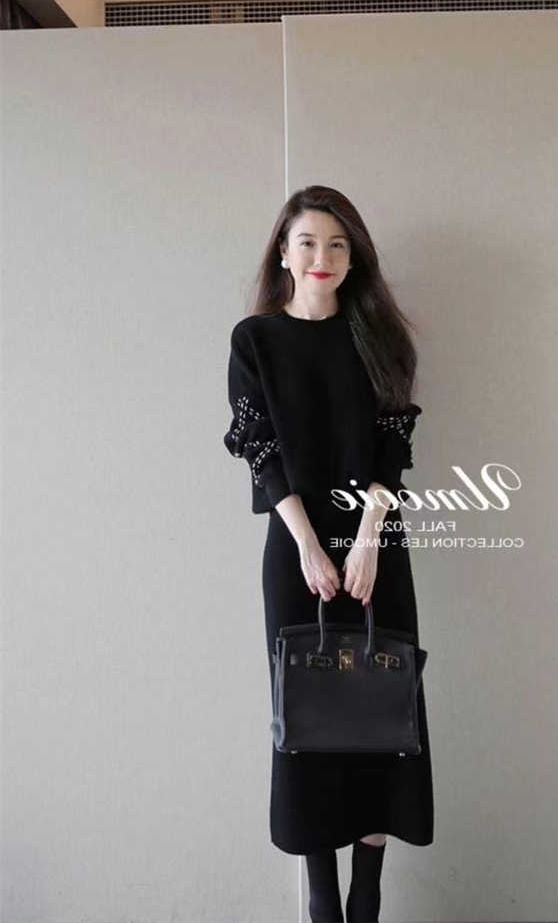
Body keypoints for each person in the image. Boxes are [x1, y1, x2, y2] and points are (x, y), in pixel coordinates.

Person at [223, 185, 434, 922]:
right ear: (283, 253)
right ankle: (321, 895)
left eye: (338, 244)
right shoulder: (255, 341)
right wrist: (309, 545)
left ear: (354, 257)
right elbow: (261, 451)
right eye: (308, 242)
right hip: (295, 553)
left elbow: (391, 449)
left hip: (377, 547)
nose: (323, 257)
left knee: (381, 706)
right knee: (309, 715)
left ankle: (366, 889)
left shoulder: (380, 338)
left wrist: (369, 541)